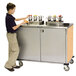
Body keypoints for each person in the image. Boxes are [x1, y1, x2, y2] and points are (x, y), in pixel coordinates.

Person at [5, 3, 30, 72]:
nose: (14, 11)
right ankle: (8, 65)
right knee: (16, 50)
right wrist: (22, 23)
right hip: (11, 35)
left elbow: (16, 19)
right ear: (10, 9)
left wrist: (24, 18)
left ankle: (13, 64)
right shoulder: (9, 18)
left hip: (10, 35)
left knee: (11, 50)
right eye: (14, 9)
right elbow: (14, 27)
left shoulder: (9, 15)